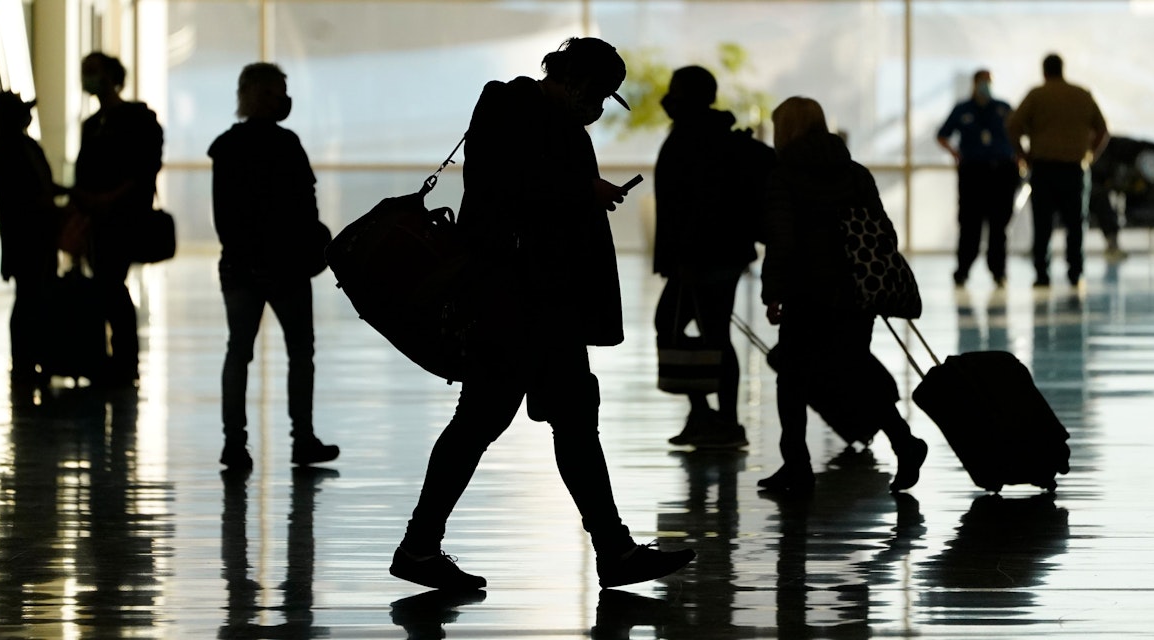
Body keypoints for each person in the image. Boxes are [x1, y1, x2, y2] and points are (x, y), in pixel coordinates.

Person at [389, 37, 696, 591]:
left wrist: (582, 192)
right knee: (521, 420)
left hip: (531, 300)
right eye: (598, 93)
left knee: (534, 419)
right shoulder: (516, 110)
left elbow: (511, 187)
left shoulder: (523, 115)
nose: (599, 107)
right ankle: (608, 550)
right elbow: (513, 187)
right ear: (575, 81)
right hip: (521, 299)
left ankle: (608, 548)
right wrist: (584, 190)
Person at [758, 96, 928, 494]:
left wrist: (773, 291)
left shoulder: (784, 175)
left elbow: (781, 240)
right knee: (854, 370)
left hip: (807, 291)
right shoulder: (854, 172)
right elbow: (883, 231)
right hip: (855, 290)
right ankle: (904, 442)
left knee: (793, 378)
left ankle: (797, 466)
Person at [207, 62, 339, 471]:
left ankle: (234, 444)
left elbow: (225, 218)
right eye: (275, 92)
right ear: (255, 95)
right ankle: (302, 439)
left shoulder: (226, 147)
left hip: (241, 269)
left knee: (239, 352)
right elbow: (305, 209)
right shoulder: (287, 145)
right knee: (300, 352)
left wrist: (248, 260)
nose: (282, 100)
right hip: (288, 269)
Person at [653, 65, 774, 448]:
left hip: (703, 257)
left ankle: (718, 419)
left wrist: (683, 257)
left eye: (675, 90)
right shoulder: (711, 133)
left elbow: (696, 206)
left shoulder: (697, 137)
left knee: (697, 330)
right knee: (711, 332)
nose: (669, 97)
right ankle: (713, 417)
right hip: (719, 254)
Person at [72, 52, 163, 386]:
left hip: (122, 218)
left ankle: (122, 362)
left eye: (92, 71)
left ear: (111, 76)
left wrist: (108, 198)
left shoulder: (135, 119)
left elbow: (144, 169)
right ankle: (115, 360)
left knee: (109, 284)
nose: (87, 78)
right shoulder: (92, 125)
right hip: (96, 219)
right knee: (106, 286)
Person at [1007, 53, 1109, 287]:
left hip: (1044, 168)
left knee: (1042, 223)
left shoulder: (1037, 95)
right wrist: (1090, 154)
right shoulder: (1082, 95)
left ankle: (1042, 273)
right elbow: (1103, 129)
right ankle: (1076, 272)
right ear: (1063, 69)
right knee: (1076, 223)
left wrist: (1022, 154)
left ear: (1044, 71)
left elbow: (1013, 126)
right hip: (1075, 168)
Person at [0, 90, 63, 387]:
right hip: (26, 239)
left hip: (35, 237)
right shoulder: (9, 151)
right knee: (29, 297)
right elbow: (23, 197)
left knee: (33, 297)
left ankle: (32, 360)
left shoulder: (18, 147)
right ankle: (25, 363)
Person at [936, 69, 1020, 287]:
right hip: (973, 172)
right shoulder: (963, 109)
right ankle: (963, 270)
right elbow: (942, 135)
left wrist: (1019, 156)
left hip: (1001, 172)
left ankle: (999, 271)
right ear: (974, 84)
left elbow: (1018, 133)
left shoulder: (1003, 108)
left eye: (989, 82)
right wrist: (955, 153)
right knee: (969, 224)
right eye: (982, 82)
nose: (985, 86)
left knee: (999, 225)